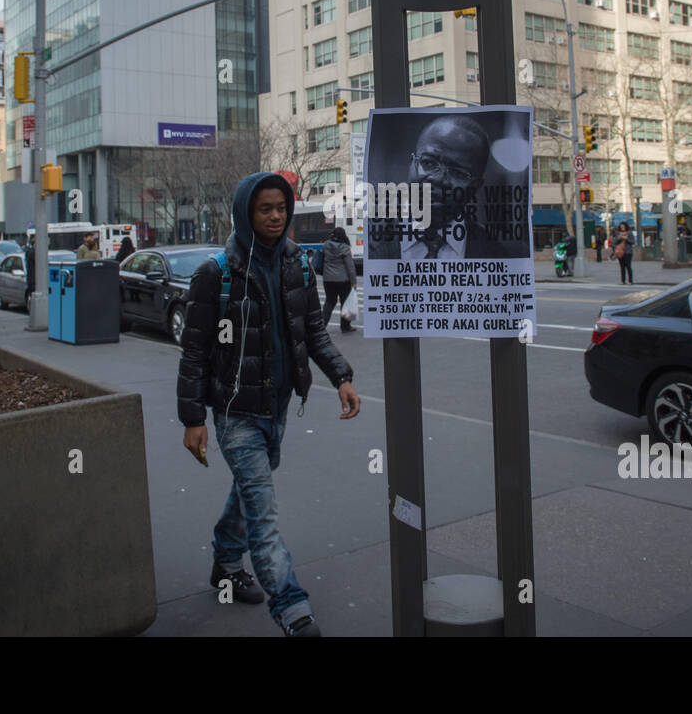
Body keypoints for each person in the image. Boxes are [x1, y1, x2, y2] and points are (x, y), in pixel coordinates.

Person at [177, 172, 360, 637]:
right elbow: (195, 352)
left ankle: (224, 562)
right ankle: (293, 608)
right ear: (246, 213)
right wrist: (194, 419)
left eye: (281, 207)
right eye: (265, 209)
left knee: (247, 491)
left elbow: (313, 332)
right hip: (235, 412)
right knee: (263, 509)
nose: (276, 216)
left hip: (277, 405)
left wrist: (341, 376)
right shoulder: (215, 274)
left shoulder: (298, 265)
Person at [367, 115, 514, 260]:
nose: (439, 179)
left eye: (458, 173)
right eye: (429, 163)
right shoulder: (371, 245)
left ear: (475, 187)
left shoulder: (500, 253)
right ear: (411, 163)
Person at [319, 227, 359, 333]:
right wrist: (354, 281)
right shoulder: (345, 247)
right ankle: (345, 327)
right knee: (345, 303)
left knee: (329, 302)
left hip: (328, 279)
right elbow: (350, 266)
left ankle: (321, 326)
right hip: (343, 280)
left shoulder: (326, 245)